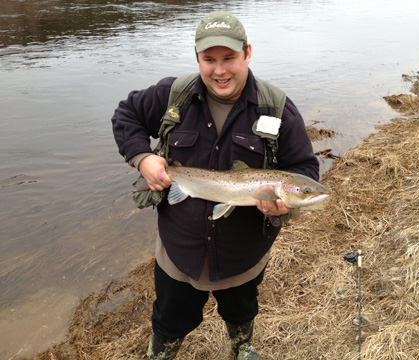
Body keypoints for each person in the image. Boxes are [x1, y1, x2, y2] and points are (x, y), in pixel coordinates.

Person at [111, 10, 319, 360]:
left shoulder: (277, 108)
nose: (219, 71)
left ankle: (242, 347)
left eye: (229, 59)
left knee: (241, 310)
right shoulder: (172, 95)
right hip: (179, 251)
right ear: (197, 58)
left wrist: (286, 204)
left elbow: (304, 168)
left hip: (244, 254)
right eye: (209, 60)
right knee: (170, 319)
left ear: (247, 53)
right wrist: (143, 158)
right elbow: (125, 115)